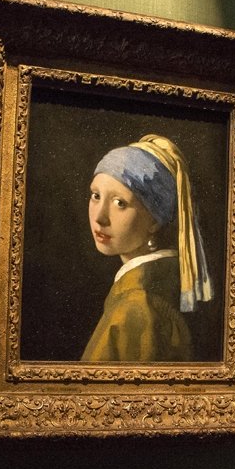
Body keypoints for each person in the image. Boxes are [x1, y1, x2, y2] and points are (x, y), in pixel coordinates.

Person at [80, 134, 213, 362]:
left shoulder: (137, 305)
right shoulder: (158, 285)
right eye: (96, 196)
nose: (100, 217)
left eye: (120, 203)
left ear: (155, 220)